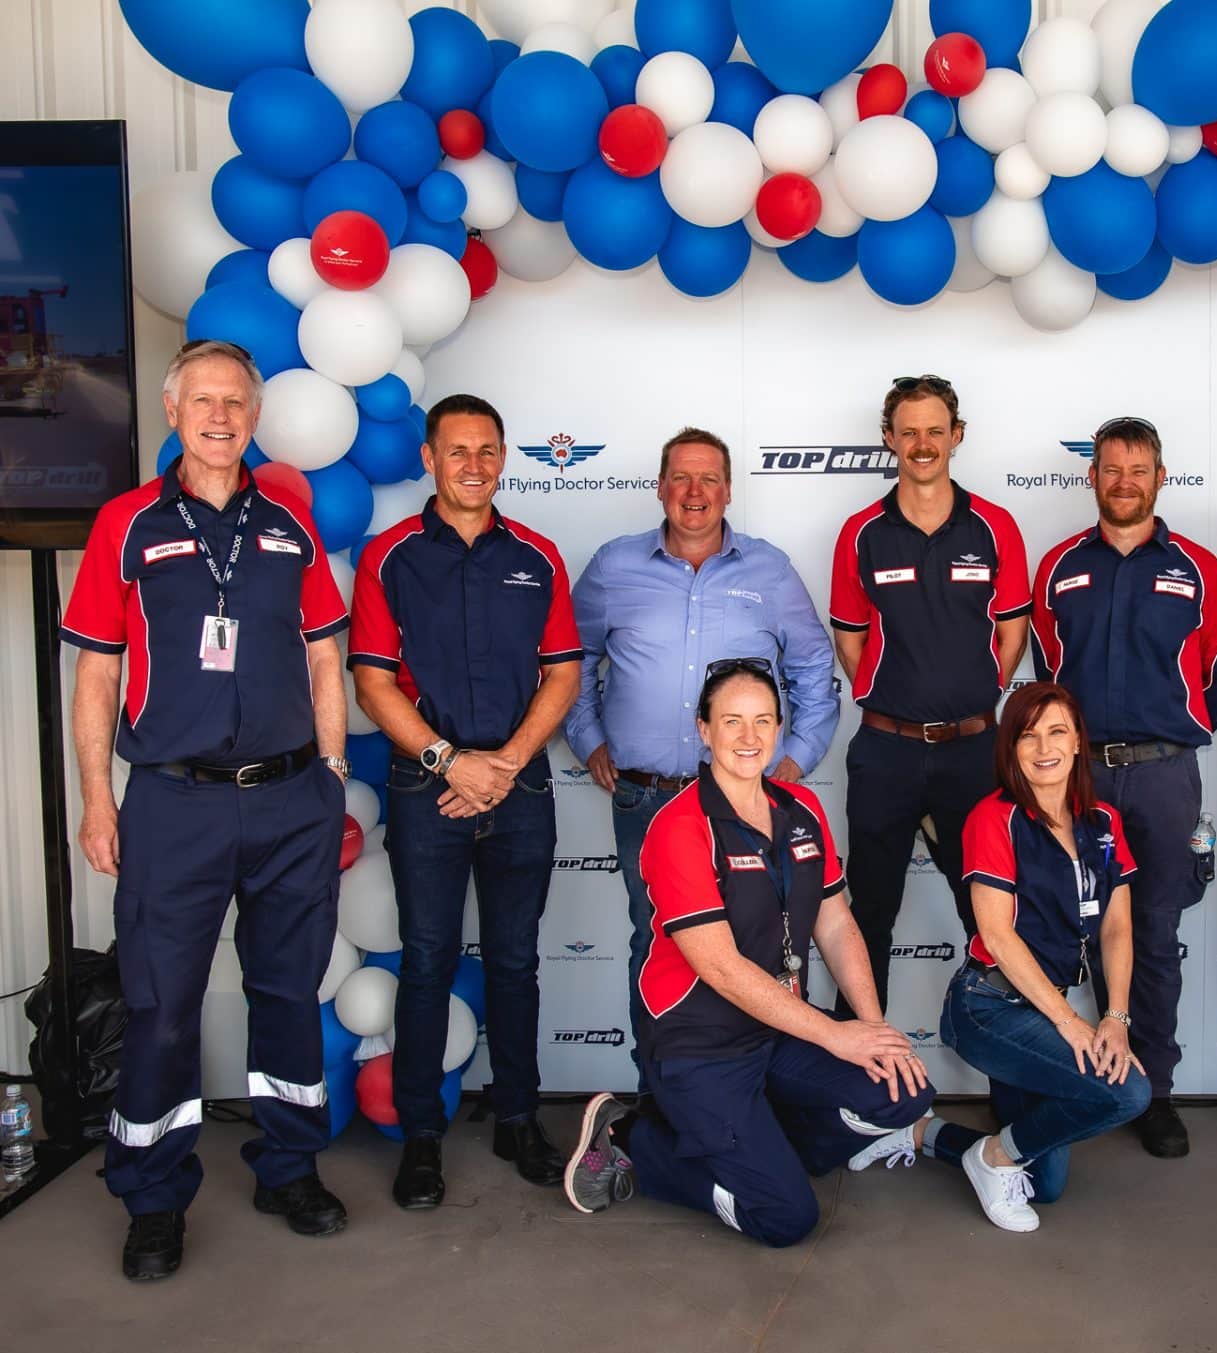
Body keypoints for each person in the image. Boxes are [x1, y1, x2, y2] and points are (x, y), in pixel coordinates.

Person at [62, 340, 351, 1281]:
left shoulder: (290, 528)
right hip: (173, 804)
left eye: (236, 401)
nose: (220, 416)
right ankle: (152, 1196)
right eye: (203, 401)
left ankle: (288, 1166)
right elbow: (98, 669)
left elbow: (322, 657)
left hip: (290, 802)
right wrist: (99, 799)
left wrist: (335, 772)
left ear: (254, 416)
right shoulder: (126, 524)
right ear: (172, 409)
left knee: (287, 994)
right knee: (159, 1007)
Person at [562, 659, 933, 1246]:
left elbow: (836, 925)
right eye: (731, 721)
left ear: (780, 727)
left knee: (902, 1088)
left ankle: (763, 1152)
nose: (749, 737)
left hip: (780, 1031)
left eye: (763, 721)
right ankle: (637, 1142)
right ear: (703, 729)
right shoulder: (678, 825)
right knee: (786, 1219)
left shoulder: (801, 809)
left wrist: (871, 1029)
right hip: (701, 1044)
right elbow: (720, 967)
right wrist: (837, 1036)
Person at [350, 394, 582, 1209]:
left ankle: (518, 1117)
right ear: (428, 458)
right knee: (427, 960)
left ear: (504, 456)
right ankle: (421, 1135)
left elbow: (562, 672)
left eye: (487, 450)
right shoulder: (389, 557)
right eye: (458, 451)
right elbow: (372, 680)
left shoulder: (539, 555)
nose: (474, 465)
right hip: (425, 786)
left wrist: (507, 762)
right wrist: (452, 762)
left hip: (520, 786)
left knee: (516, 961)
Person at [563, 429, 838, 1067]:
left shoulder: (769, 569)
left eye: (709, 478)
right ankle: (663, 1090)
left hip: (748, 803)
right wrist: (588, 737)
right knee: (657, 943)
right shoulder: (613, 566)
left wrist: (793, 760)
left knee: (769, 942)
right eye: (681, 478)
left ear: (729, 490)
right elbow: (569, 661)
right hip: (648, 800)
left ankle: (765, 1091)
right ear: (660, 487)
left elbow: (814, 670)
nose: (695, 492)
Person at [1029, 417, 1217, 1158]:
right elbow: (1044, 665)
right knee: (1059, 927)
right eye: (1111, 469)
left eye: (1139, 469)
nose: (1124, 481)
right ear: (1093, 477)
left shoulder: (1199, 567)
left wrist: (1171, 731)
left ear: (1161, 476)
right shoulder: (1059, 565)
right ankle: (1075, 1075)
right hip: (1076, 774)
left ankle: (1152, 1089)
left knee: (1153, 934)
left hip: (1161, 777)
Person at [829, 374, 1031, 1010]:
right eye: (908, 431)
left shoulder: (995, 526)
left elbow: (1012, 635)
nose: (922, 444)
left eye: (935, 432)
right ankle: (861, 1089)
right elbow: (851, 642)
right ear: (887, 439)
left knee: (991, 919)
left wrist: (968, 699)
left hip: (974, 752)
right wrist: (903, 701)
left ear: (957, 437)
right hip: (886, 751)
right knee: (868, 918)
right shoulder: (861, 532)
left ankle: (1012, 1093)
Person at [930, 682, 1150, 1233]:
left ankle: (925, 1135)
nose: (1043, 747)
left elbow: (1118, 927)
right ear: (1010, 749)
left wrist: (1115, 1019)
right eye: (1027, 736)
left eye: (1057, 731)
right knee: (1128, 1093)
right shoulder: (993, 817)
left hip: (1042, 1007)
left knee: (1045, 1187)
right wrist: (1072, 1024)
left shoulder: (1101, 822)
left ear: (1078, 741)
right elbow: (998, 936)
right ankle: (992, 1159)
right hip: (989, 1008)